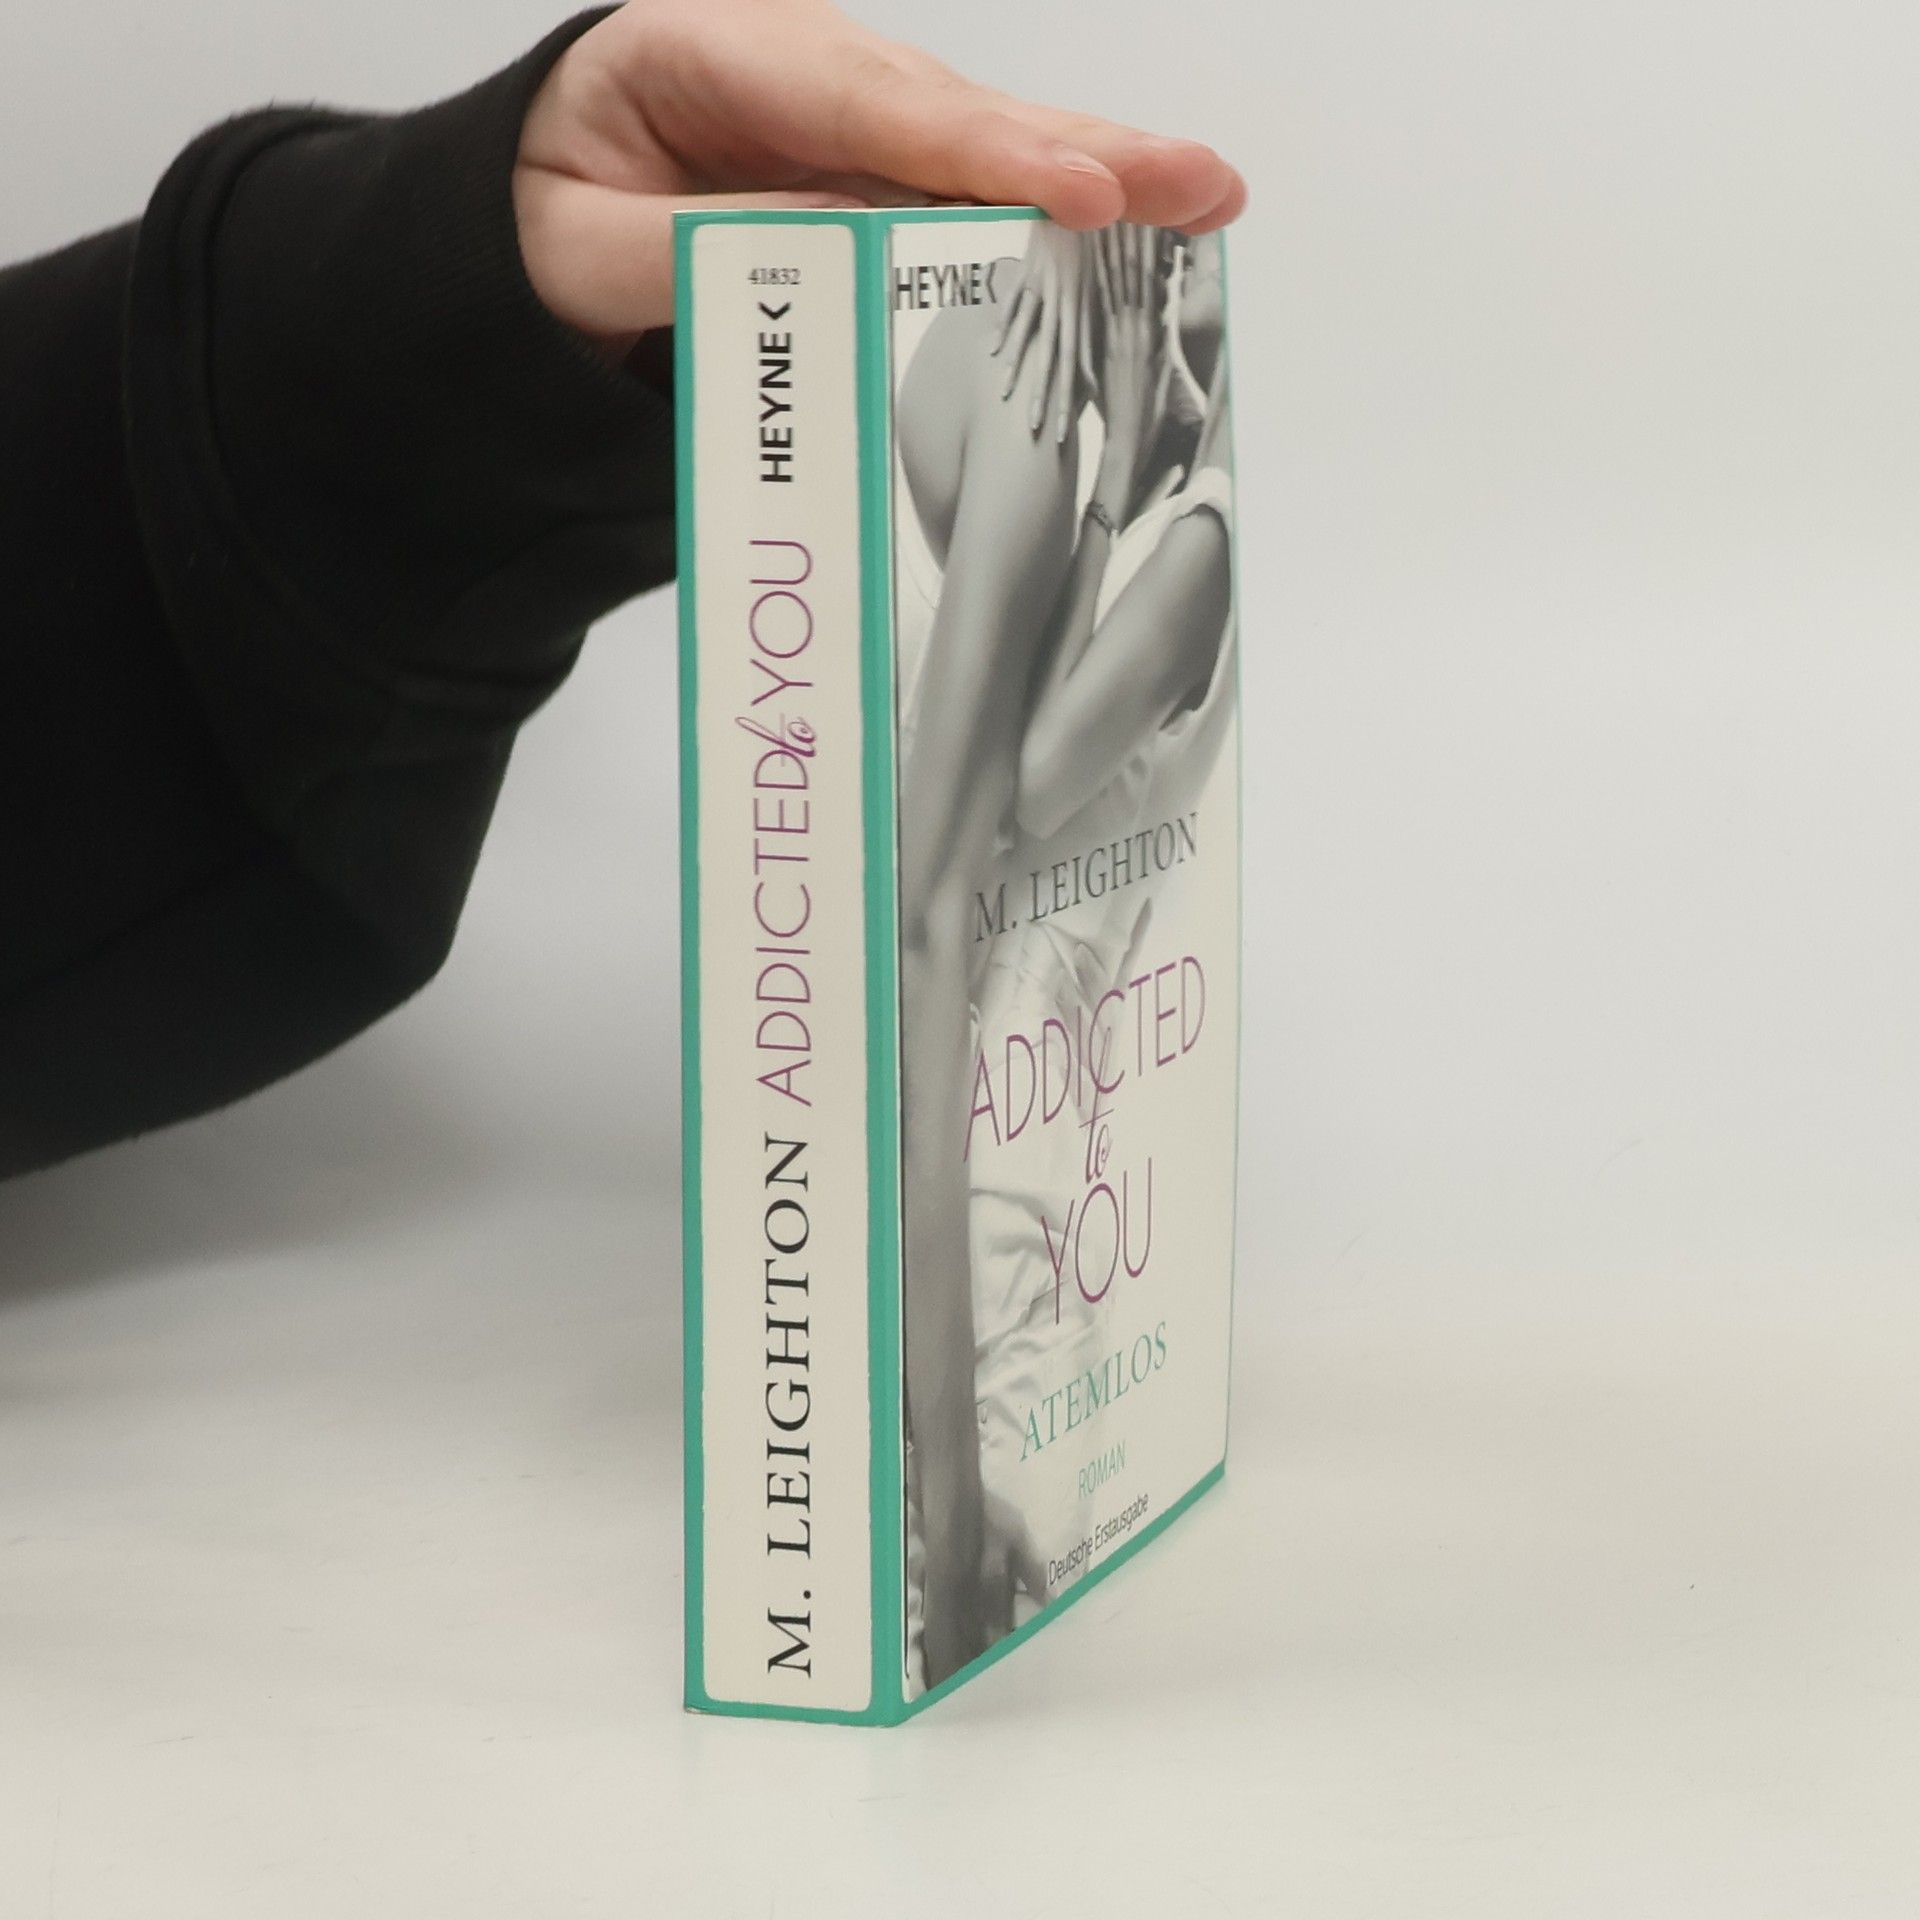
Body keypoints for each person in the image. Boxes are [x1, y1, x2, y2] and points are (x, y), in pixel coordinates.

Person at [0, 0, 1245, 1182]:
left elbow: (1002, 824)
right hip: (1032, 1125)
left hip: (1052, 1128)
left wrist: (426, 285)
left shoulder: (1142, 496)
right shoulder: (1074, 444)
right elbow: (986, 842)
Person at [891, 219, 1237, 1684]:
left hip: (1009, 1147)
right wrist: (1110, 474)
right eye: (1150, 240)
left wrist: (1111, 480)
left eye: (1196, 250)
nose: (1170, 258)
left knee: (988, 1640)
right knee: (975, 1637)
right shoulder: (1110, 484)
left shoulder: (1196, 538)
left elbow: (1022, 794)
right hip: (1011, 1124)